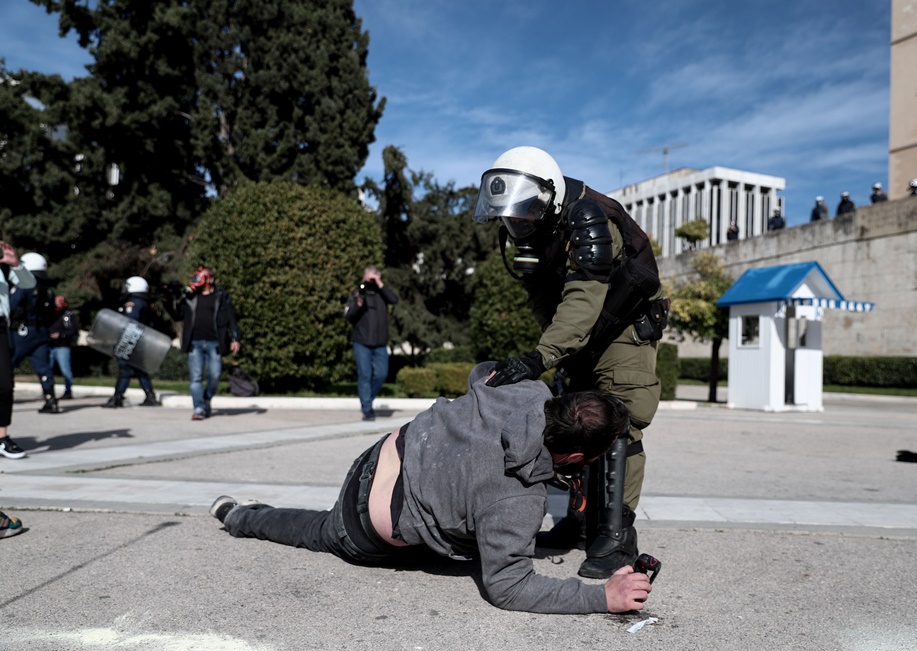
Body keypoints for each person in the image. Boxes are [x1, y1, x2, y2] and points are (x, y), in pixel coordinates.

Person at [210, 362, 653, 614]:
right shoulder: (519, 501)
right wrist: (601, 597)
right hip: (361, 525)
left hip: (384, 453)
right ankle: (237, 516)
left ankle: (237, 512)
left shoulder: (527, 389)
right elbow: (509, 588)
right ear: (575, 458)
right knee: (312, 531)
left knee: (471, 525)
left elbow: (483, 373)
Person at [472, 146, 667, 579]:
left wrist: (541, 357)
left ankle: (616, 535)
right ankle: (579, 523)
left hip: (625, 324)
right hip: (586, 326)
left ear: (547, 199)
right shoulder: (530, 231)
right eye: (511, 216)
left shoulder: (587, 217)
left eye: (524, 214)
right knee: (573, 418)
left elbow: (584, 297)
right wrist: (556, 352)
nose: (517, 223)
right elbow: (544, 298)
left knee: (619, 418)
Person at [173, 266, 241, 420]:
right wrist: (170, 298)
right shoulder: (191, 297)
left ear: (210, 279)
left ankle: (206, 398)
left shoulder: (221, 296)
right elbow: (177, 314)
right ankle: (198, 408)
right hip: (194, 343)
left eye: (201, 277)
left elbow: (231, 318)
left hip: (214, 343)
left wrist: (235, 338)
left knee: (215, 375)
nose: (197, 279)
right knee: (195, 378)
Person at [344, 266, 398, 421]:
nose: (369, 282)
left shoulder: (383, 293)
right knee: (365, 375)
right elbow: (348, 316)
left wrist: (379, 284)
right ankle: (367, 409)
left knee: (382, 374)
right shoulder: (357, 293)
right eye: (367, 278)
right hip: (362, 342)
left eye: (373, 278)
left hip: (380, 343)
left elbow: (394, 300)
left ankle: (367, 399)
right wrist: (358, 304)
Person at [9, 252, 60, 414]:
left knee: (6, 365)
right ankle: (50, 399)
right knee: (44, 368)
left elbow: (11, 306)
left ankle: (5, 397)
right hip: (41, 332)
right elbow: (53, 312)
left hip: (22, 332)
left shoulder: (24, 284)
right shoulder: (49, 290)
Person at [0, 241, 37, 459]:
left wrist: (15, 264)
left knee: (4, 385)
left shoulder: (3, 267)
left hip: (0, 328)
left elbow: (28, 283)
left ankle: (2, 439)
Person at [104, 276, 162, 409]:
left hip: (130, 340)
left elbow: (131, 323)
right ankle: (150, 396)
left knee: (124, 369)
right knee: (140, 369)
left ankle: (117, 397)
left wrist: (123, 343)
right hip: (140, 341)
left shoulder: (133, 303)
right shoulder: (144, 302)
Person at [48, 295, 80, 400]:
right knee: (47, 370)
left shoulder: (69, 316)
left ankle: (68, 391)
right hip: (50, 345)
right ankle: (47, 391)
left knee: (66, 370)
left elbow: (74, 331)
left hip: (62, 346)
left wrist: (61, 335)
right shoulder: (50, 315)